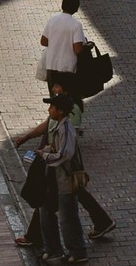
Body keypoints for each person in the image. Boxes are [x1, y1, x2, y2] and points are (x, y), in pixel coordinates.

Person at [13, 99, 116, 249]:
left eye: (57, 85)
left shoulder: (66, 123)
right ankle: (101, 222)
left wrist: (47, 155)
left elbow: (65, 151)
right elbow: (48, 125)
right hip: (58, 166)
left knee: (51, 205)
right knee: (67, 197)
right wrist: (28, 138)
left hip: (60, 168)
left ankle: (45, 241)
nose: (54, 87)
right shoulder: (58, 116)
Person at [29, 92, 89, 265]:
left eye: (52, 107)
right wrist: (46, 150)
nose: (49, 109)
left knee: (67, 217)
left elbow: (65, 154)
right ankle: (53, 248)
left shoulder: (67, 129)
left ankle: (77, 252)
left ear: (60, 111)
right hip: (53, 178)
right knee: (46, 211)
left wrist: (46, 156)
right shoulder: (58, 126)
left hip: (65, 179)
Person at [40, 0, 86, 102]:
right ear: (76, 8)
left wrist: (56, 41)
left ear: (62, 5)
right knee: (67, 100)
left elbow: (43, 41)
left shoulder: (52, 20)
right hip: (67, 68)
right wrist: (87, 46)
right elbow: (78, 49)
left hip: (51, 66)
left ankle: (54, 118)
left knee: (54, 99)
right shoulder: (76, 25)